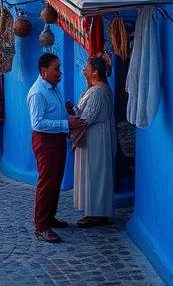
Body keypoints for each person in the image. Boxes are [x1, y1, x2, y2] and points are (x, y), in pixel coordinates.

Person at [27, 52, 82, 243]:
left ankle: (49, 217)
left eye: (59, 68)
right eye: (56, 68)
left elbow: (53, 114)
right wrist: (67, 125)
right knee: (47, 182)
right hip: (45, 141)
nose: (60, 72)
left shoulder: (52, 87)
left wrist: (67, 117)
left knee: (55, 180)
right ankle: (41, 226)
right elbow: (38, 123)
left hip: (56, 139)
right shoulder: (37, 92)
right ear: (44, 71)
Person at [72, 55, 116, 227]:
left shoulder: (98, 91)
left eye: (87, 68)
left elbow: (87, 118)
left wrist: (71, 119)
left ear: (95, 72)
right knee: (93, 173)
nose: (84, 71)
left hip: (96, 137)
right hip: (94, 135)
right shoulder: (96, 89)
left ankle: (97, 213)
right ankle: (93, 212)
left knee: (95, 173)